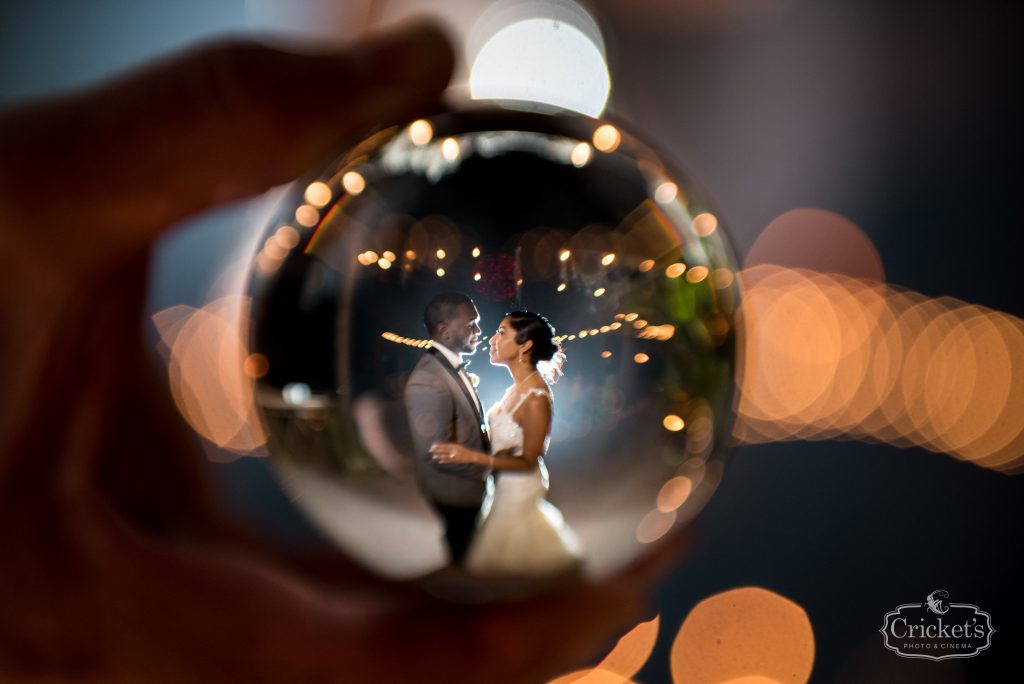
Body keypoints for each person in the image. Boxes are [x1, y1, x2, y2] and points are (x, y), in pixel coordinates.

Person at [0, 20, 683, 683]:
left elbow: (521, 458)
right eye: (480, 327)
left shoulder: (524, 394)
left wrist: (469, 459)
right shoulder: (459, 380)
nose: (488, 336)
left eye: (497, 330)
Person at [431, 311, 582, 577]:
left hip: (520, 491)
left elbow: (529, 461)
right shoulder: (514, 389)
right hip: (500, 488)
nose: (492, 340)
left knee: (515, 565)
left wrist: (470, 456)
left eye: (501, 333)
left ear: (525, 345)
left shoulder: (536, 398)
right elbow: (499, 440)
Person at [404, 292, 489, 564]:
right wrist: (488, 466)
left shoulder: (450, 367)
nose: (478, 330)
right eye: (471, 324)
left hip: (470, 488)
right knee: (463, 555)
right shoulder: (428, 379)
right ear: (444, 330)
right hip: (456, 493)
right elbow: (435, 452)